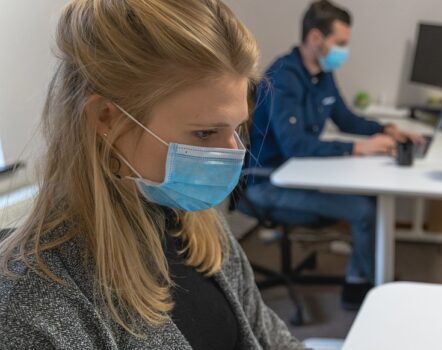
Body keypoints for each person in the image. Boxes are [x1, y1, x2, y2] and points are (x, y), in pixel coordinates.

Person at [0, 0, 305, 348]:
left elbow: (272, 338)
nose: (234, 153)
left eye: (238, 128)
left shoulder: (200, 227)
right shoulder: (29, 312)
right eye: (205, 133)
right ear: (106, 119)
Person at [246, 0, 423, 310]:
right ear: (316, 38)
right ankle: (359, 287)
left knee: (368, 201)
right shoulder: (284, 78)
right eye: (340, 43)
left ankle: (365, 276)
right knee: (363, 209)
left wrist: (387, 130)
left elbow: (345, 118)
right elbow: (295, 146)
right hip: (268, 183)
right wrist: (357, 148)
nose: (344, 50)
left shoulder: (320, 71)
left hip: (300, 176)